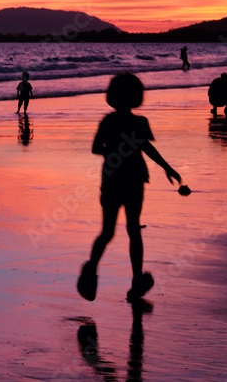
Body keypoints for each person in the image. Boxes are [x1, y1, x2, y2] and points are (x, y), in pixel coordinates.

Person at [77, 73, 182, 302]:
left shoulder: (108, 121)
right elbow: (147, 149)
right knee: (133, 230)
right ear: (137, 96)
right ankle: (135, 281)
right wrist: (167, 167)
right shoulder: (139, 122)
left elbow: (96, 148)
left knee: (108, 232)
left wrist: (114, 153)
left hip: (113, 179)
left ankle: (91, 269)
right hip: (133, 179)